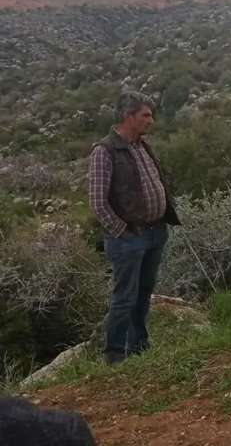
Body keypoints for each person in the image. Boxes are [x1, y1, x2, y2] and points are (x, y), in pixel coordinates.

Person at [88, 91, 180, 365]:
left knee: (142, 294)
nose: (151, 120)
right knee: (124, 298)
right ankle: (115, 356)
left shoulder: (141, 145)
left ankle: (139, 347)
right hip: (130, 238)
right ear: (129, 117)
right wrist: (122, 232)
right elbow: (97, 202)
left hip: (154, 233)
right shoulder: (104, 151)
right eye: (145, 115)